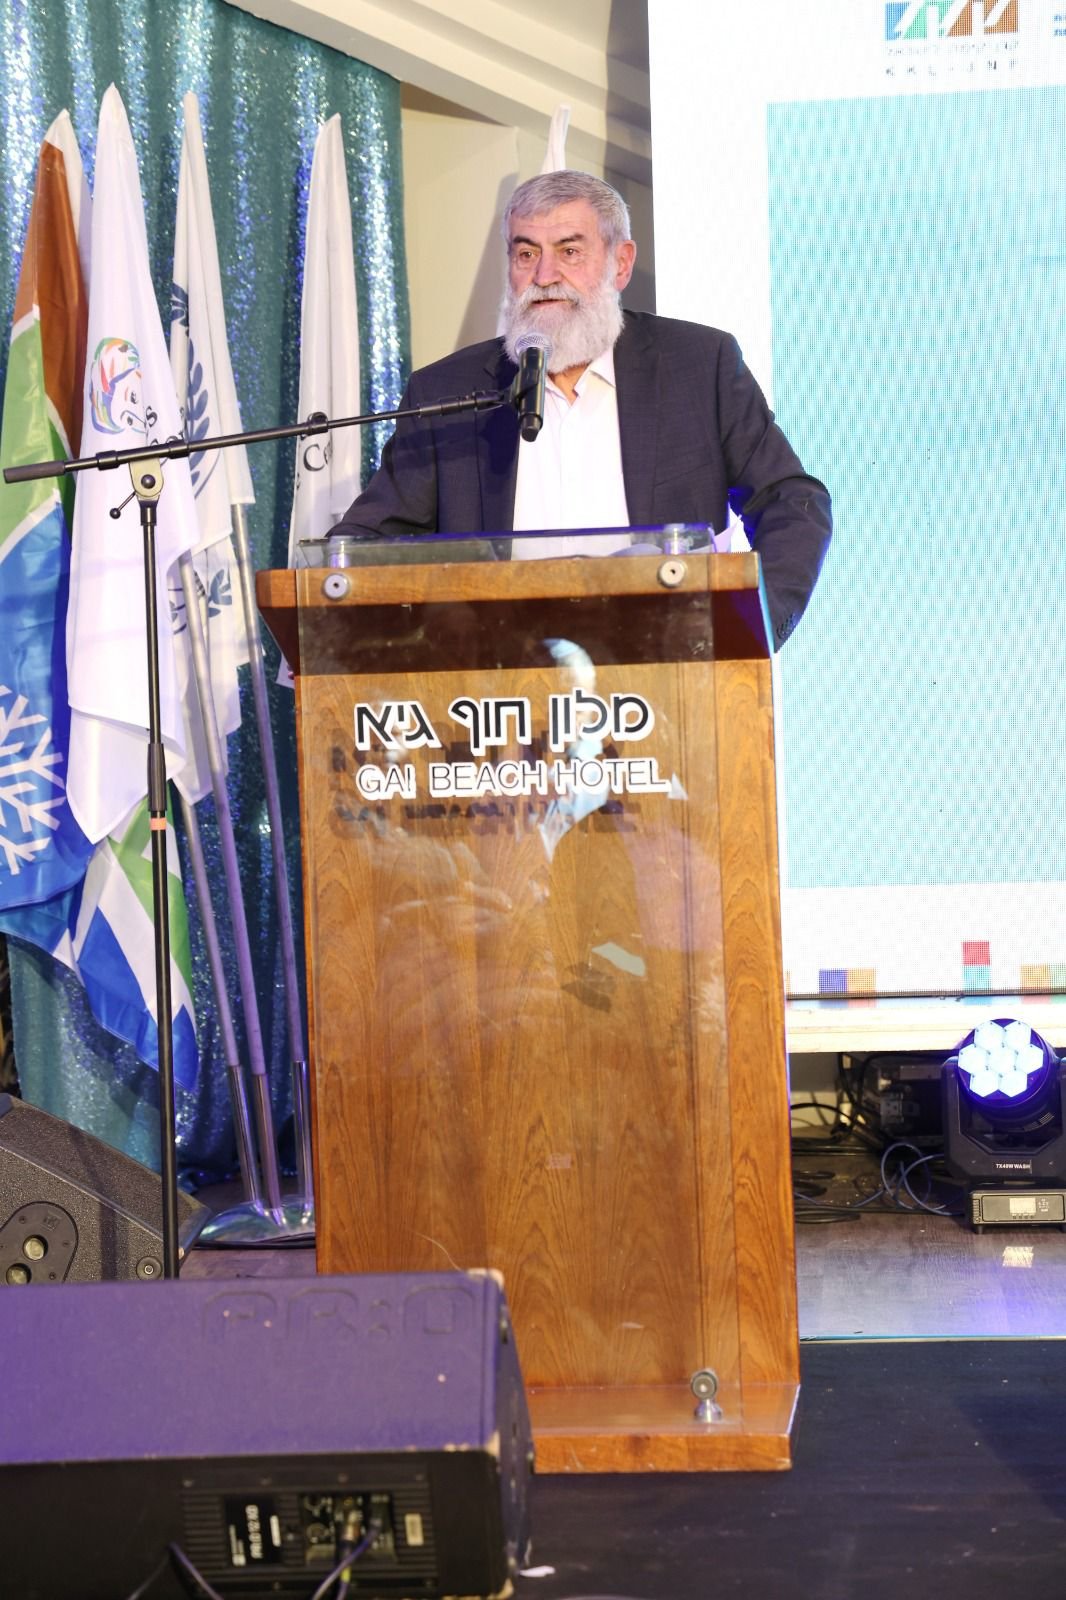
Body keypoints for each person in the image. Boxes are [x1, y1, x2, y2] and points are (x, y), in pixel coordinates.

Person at [330, 171, 831, 648]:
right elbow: (368, 543)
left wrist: (748, 631)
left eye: (569, 251)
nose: (545, 276)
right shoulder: (449, 391)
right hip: (494, 682)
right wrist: (333, 606)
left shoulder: (699, 366)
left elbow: (791, 501)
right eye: (526, 253)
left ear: (621, 262)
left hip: (669, 671)